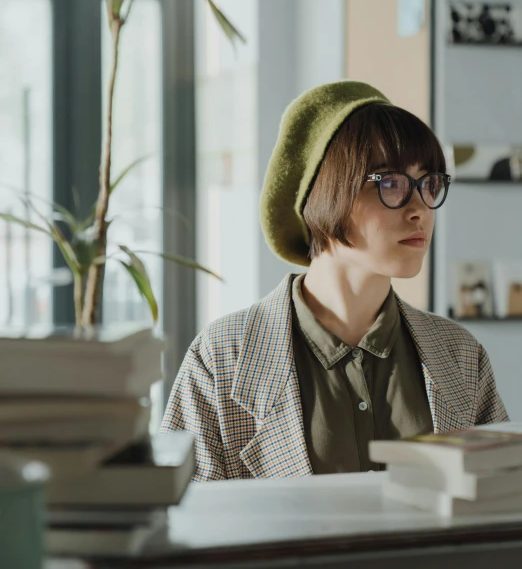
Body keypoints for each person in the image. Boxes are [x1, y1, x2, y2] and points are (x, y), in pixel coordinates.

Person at [161, 80, 508, 481]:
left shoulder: (461, 356)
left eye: (429, 183)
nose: (420, 210)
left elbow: (500, 513)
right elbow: (184, 528)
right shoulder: (221, 359)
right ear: (324, 192)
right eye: (391, 183)